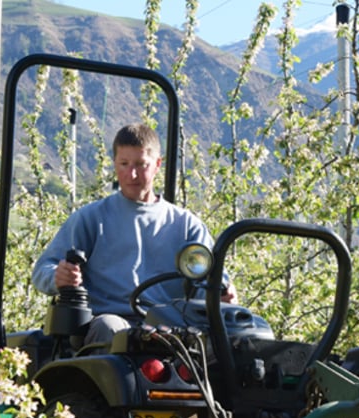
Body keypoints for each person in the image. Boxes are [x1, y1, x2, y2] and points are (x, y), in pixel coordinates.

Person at [32, 123, 234, 345]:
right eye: (124, 164)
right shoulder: (91, 219)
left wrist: (222, 295)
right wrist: (58, 277)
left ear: (157, 165)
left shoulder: (187, 226)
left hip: (173, 327)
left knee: (239, 337)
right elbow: (44, 269)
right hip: (112, 323)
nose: (132, 174)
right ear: (114, 164)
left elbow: (211, 282)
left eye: (141, 164)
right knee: (110, 329)